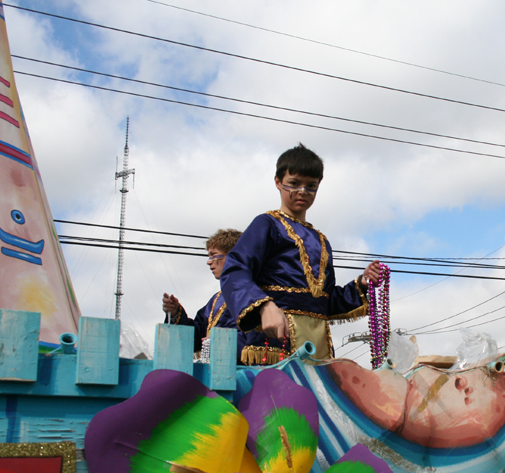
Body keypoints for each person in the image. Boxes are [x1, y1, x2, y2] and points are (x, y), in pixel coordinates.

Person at [220, 144, 380, 364]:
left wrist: (361, 284)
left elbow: (325, 302)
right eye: (294, 184)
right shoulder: (267, 225)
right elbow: (235, 269)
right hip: (276, 344)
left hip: (319, 349)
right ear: (278, 181)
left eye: (311, 186)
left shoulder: (322, 240)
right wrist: (264, 306)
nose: (303, 191)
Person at [162, 228, 243, 361]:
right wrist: (176, 313)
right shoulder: (217, 299)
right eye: (209, 256)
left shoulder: (257, 294)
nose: (209, 262)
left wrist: (222, 341)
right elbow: (197, 336)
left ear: (235, 256)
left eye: (214, 255)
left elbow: (258, 336)